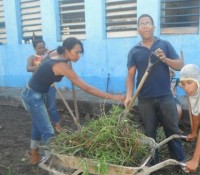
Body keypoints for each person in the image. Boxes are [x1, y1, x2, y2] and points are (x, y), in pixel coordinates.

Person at [21, 37, 125, 165]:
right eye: (76, 52)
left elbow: (49, 55)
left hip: (34, 92)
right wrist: (113, 97)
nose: (79, 55)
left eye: (80, 52)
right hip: (32, 96)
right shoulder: (61, 66)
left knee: (38, 124)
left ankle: (35, 156)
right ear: (67, 50)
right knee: (48, 131)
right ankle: (54, 164)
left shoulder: (55, 53)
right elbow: (87, 88)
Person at [124, 14, 185, 165]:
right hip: (144, 98)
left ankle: (179, 161)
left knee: (172, 129)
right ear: (138, 29)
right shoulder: (134, 51)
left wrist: (165, 59)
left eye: (148, 23)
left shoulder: (164, 44)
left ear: (153, 27)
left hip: (165, 96)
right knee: (149, 133)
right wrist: (129, 95)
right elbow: (130, 76)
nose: (145, 26)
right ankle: (151, 162)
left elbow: (179, 65)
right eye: (141, 24)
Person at [26, 38, 62, 132]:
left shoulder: (49, 56)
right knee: (40, 106)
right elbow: (28, 68)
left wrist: (50, 53)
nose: (42, 49)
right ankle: (44, 125)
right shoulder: (32, 57)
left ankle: (57, 125)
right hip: (38, 87)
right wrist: (41, 65)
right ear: (35, 48)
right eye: (39, 48)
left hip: (50, 86)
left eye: (43, 47)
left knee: (52, 106)